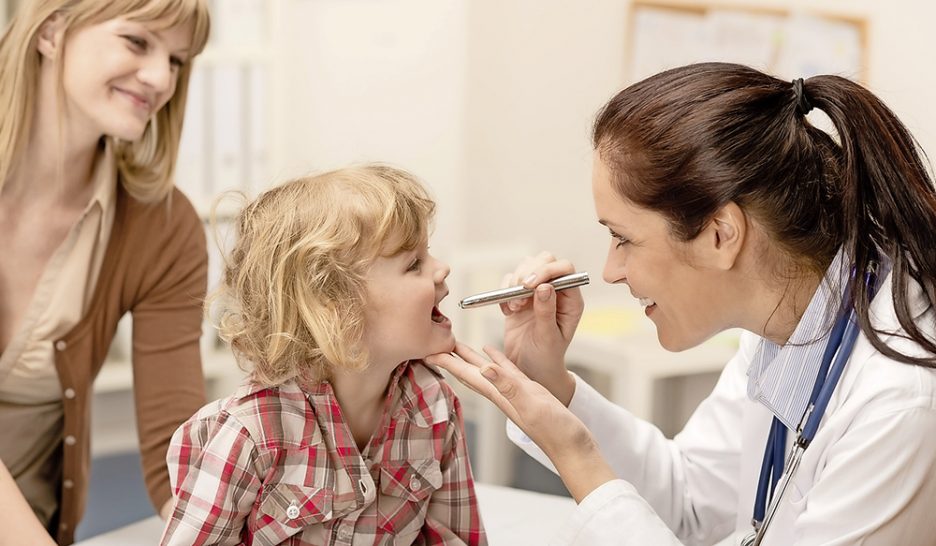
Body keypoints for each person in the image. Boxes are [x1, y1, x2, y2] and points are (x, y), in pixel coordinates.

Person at [428, 62, 936, 545]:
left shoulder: (899, 402)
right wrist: (550, 385)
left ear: (720, 235)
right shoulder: (786, 326)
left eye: (623, 239)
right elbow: (691, 502)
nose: (610, 271)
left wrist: (576, 454)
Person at [160, 165, 487, 545]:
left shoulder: (435, 407)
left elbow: (455, 538)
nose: (441, 268)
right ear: (335, 310)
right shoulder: (251, 434)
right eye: (413, 263)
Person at [0, 1, 211, 543]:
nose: (162, 78)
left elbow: (178, 453)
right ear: (51, 30)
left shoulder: (163, 226)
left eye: (178, 61)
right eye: (138, 42)